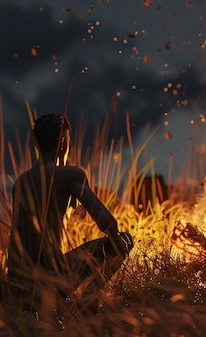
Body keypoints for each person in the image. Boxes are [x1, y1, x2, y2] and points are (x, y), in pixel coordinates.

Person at [8, 114, 133, 312]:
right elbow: (106, 220)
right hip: (50, 283)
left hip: (18, 288)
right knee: (124, 240)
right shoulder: (69, 175)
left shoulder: (20, 182)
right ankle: (87, 306)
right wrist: (116, 240)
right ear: (64, 143)